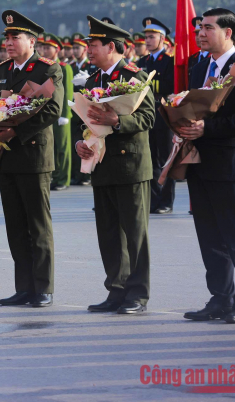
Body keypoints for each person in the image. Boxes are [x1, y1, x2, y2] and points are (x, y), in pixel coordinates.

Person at [180, 8, 235, 324]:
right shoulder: (199, 67)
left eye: (208, 28)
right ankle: (220, 298)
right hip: (199, 165)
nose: (201, 33)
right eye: (199, 28)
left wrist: (207, 129)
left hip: (230, 168)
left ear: (228, 33)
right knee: (210, 237)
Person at [75, 16, 155, 315]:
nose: (89, 49)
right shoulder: (93, 79)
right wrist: (80, 143)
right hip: (102, 164)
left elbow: (148, 118)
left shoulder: (135, 76)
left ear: (111, 46)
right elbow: (84, 120)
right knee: (108, 232)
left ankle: (138, 294)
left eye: (93, 45)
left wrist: (117, 121)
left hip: (130, 165)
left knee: (134, 234)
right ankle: (116, 289)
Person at [0, 11, 63, 307]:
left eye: (14, 37)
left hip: (32, 155)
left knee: (37, 225)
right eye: (6, 37)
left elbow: (51, 110)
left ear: (31, 41)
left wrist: (14, 133)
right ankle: (24, 286)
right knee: (16, 225)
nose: (8, 42)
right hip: (7, 157)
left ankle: (43, 287)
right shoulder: (3, 69)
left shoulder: (47, 69)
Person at [141, 17, 176, 214]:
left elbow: (171, 90)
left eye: (152, 37)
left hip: (163, 116)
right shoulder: (141, 62)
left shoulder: (169, 62)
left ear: (162, 39)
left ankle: (166, 201)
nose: (147, 40)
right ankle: (153, 199)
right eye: (146, 37)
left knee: (165, 158)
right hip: (146, 117)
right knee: (150, 159)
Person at [40, 34, 72, 191]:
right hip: (49, 111)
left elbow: (68, 91)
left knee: (63, 147)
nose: (44, 51)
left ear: (57, 50)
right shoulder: (45, 68)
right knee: (52, 146)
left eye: (48, 48)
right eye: (43, 48)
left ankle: (64, 179)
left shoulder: (65, 68)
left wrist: (65, 114)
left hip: (61, 113)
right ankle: (56, 175)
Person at [69, 33, 94, 186]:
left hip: (87, 106)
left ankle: (86, 174)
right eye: (74, 48)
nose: (75, 51)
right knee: (76, 139)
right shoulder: (71, 66)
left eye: (78, 47)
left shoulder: (90, 66)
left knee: (87, 140)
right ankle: (77, 174)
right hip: (73, 106)